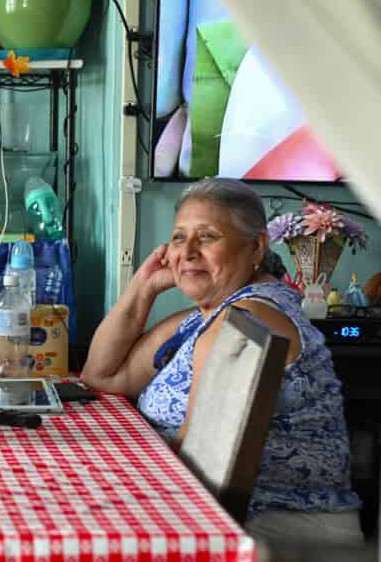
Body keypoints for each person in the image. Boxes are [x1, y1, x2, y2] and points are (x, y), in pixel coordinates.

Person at [81, 178, 361, 545]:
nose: (188, 251)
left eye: (208, 236)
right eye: (179, 238)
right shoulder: (210, 315)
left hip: (275, 526)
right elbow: (101, 376)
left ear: (256, 246)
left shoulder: (247, 322)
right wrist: (144, 286)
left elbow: (196, 458)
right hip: (216, 506)